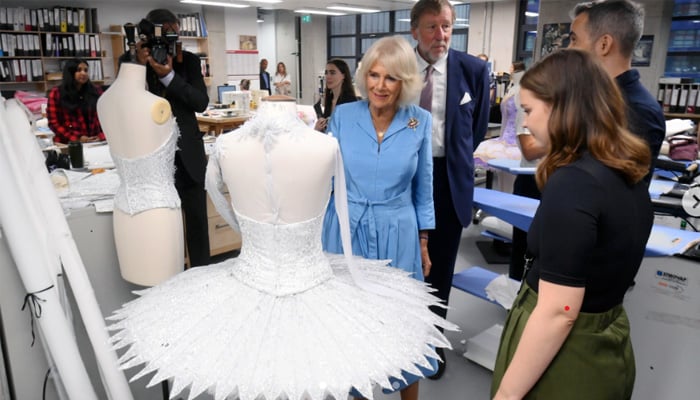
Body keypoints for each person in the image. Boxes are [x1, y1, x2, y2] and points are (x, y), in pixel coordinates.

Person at [108, 95, 455, 400]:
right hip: (255, 280)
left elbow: (217, 195)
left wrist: (245, 229)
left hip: (308, 281)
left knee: (299, 369)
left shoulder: (317, 146)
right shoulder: (241, 146)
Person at [491, 49, 653, 400]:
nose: (528, 124)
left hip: (568, 359)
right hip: (607, 343)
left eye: (530, 111)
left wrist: (506, 395)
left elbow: (558, 312)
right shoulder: (628, 172)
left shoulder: (575, 183)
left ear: (561, 108)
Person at [321, 35, 435, 400]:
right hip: (346, 228)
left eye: (390, 78)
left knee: (402, 322)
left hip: (398, 230)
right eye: (373, 75)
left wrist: (423, 242)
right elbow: (325, 174)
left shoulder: (419, 121)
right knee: (348, 323)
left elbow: (424, 186)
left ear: (405, 82)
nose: (379, 86)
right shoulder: (344, 115)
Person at [411, 0, 490, 379]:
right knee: (398, 262)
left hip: (446, 180)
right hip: (402, 178)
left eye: (446, 26)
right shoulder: (398, 68)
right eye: (431, 27)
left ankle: (430, 343)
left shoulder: (474, 70)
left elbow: (474, 131)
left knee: (439, 269)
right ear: (415, 31)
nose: (441, 35)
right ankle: (396, 339)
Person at [121, 9, 211, 267]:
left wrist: (168, 76)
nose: (169, 39)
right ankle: (168, 279)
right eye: (164, 32)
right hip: (151, 160)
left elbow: (200, 102)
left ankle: (202, 277)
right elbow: (126, 103)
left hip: (189, 158)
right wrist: (139, 66)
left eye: (175, 32)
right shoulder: (130, 62)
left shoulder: (189, 62)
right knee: (162, 227)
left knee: (197, 225)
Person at [97, 62, 184, 287]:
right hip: (158, 216)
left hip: (124, 214)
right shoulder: (157, 104)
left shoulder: (103, 101)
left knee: (154, 294)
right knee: (164, 293)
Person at [568, 0, 664, 185]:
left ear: (604, 44)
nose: (569, 49)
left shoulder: (637, 111)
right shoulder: (597, 99)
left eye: (574, 40)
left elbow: (611, 193)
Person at [506, 60, 546, 281]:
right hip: (531, 180)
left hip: (552, 180)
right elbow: (529, 150)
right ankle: (514, 296)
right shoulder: (528, 103)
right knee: (524, 245)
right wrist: (568, 140)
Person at [47, 58, 104, 144]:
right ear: (70, 72)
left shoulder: (96, 91)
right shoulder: (56, 93)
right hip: (69, 143)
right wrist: (77, 138)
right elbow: (54, 123)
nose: (83, 73)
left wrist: (102, 136)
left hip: (95, 142)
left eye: (86, 70)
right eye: (79, 70)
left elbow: (107, 118)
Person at [314, 58, 357, 132]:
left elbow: (350, 130)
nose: (328, 76)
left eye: (332, 73)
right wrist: (318, 128)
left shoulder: (350, 101)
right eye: (326, 73)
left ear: (343, 76)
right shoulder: (330, 99)